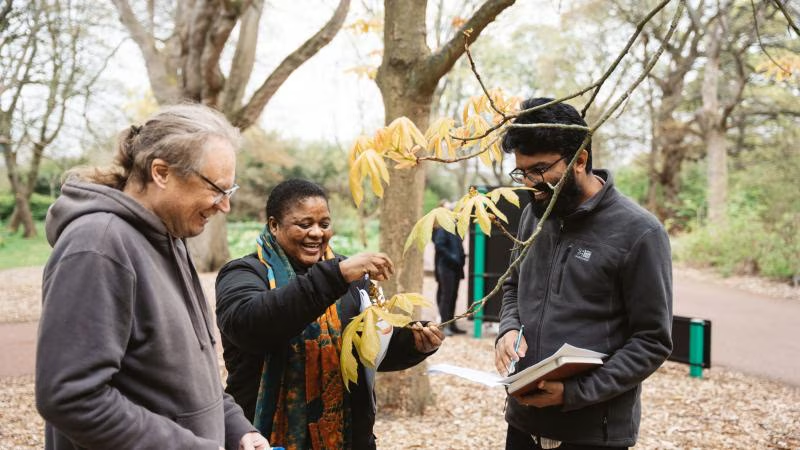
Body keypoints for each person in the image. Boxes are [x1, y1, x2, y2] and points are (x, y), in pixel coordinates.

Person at [35, 104, 269, 450]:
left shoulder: (168, 238)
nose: (224, 206)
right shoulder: (98, 246)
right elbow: (71, 397)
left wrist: (236, 429)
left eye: (228, 192)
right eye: (217, 190)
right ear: (161, 172)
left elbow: (180, 380)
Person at [494, 98, 673, 450]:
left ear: (580, 160)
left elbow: (652, 340)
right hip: (522, 422)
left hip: (591, 433)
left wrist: (574, 392)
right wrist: (509, 328)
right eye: (523, 172)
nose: (532, 183)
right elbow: (513, 284)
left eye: (541, 169)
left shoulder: (639, 233)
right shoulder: (536, 213)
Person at [215, 178, 445, 450]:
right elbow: (252, 325)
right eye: (305, 224)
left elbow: (367, 350)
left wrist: (412, 344)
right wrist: (337, 275)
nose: (317, 233)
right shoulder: (243, 273)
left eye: (324, 224)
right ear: (274, 225)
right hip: (262, 439)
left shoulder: (347, 277)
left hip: (346, 438)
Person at [432, 216, 467, 335]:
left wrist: (460, 258)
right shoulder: (443, 229)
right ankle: (444, 325)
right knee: (446, 297)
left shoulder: (457, 230)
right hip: (446, 268)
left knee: (453, 297)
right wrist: (453, 257)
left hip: (456, 268)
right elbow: (439, 245)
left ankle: (452, 324)